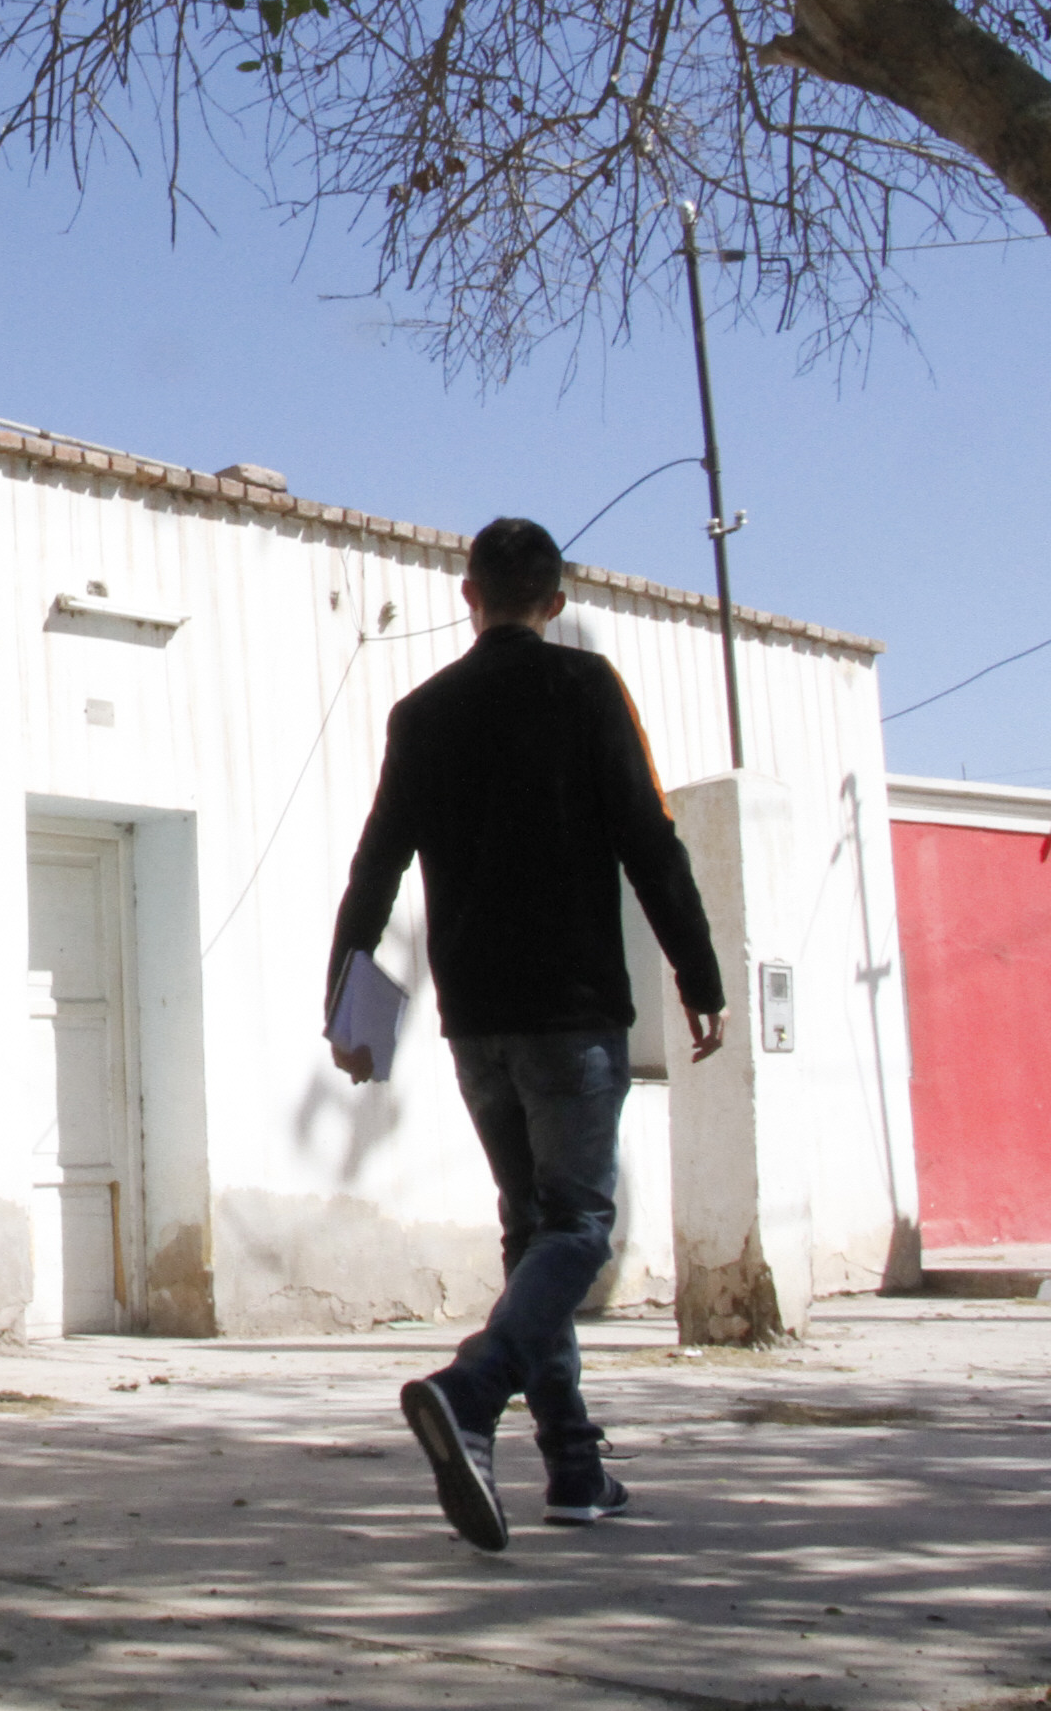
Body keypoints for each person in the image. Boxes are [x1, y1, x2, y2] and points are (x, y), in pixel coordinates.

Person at [326, 516, 726, 1551]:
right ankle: (473, 1389)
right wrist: (698, 977)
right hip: (572, 1009)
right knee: (578, 1228)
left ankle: (575, 1468)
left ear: (468, 595)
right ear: (555, 601)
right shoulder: (584, 688)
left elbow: (375, 866)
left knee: (530, 1232)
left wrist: (345, 1003)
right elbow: (648, 839)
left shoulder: (421, 713)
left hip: (477, 1023)